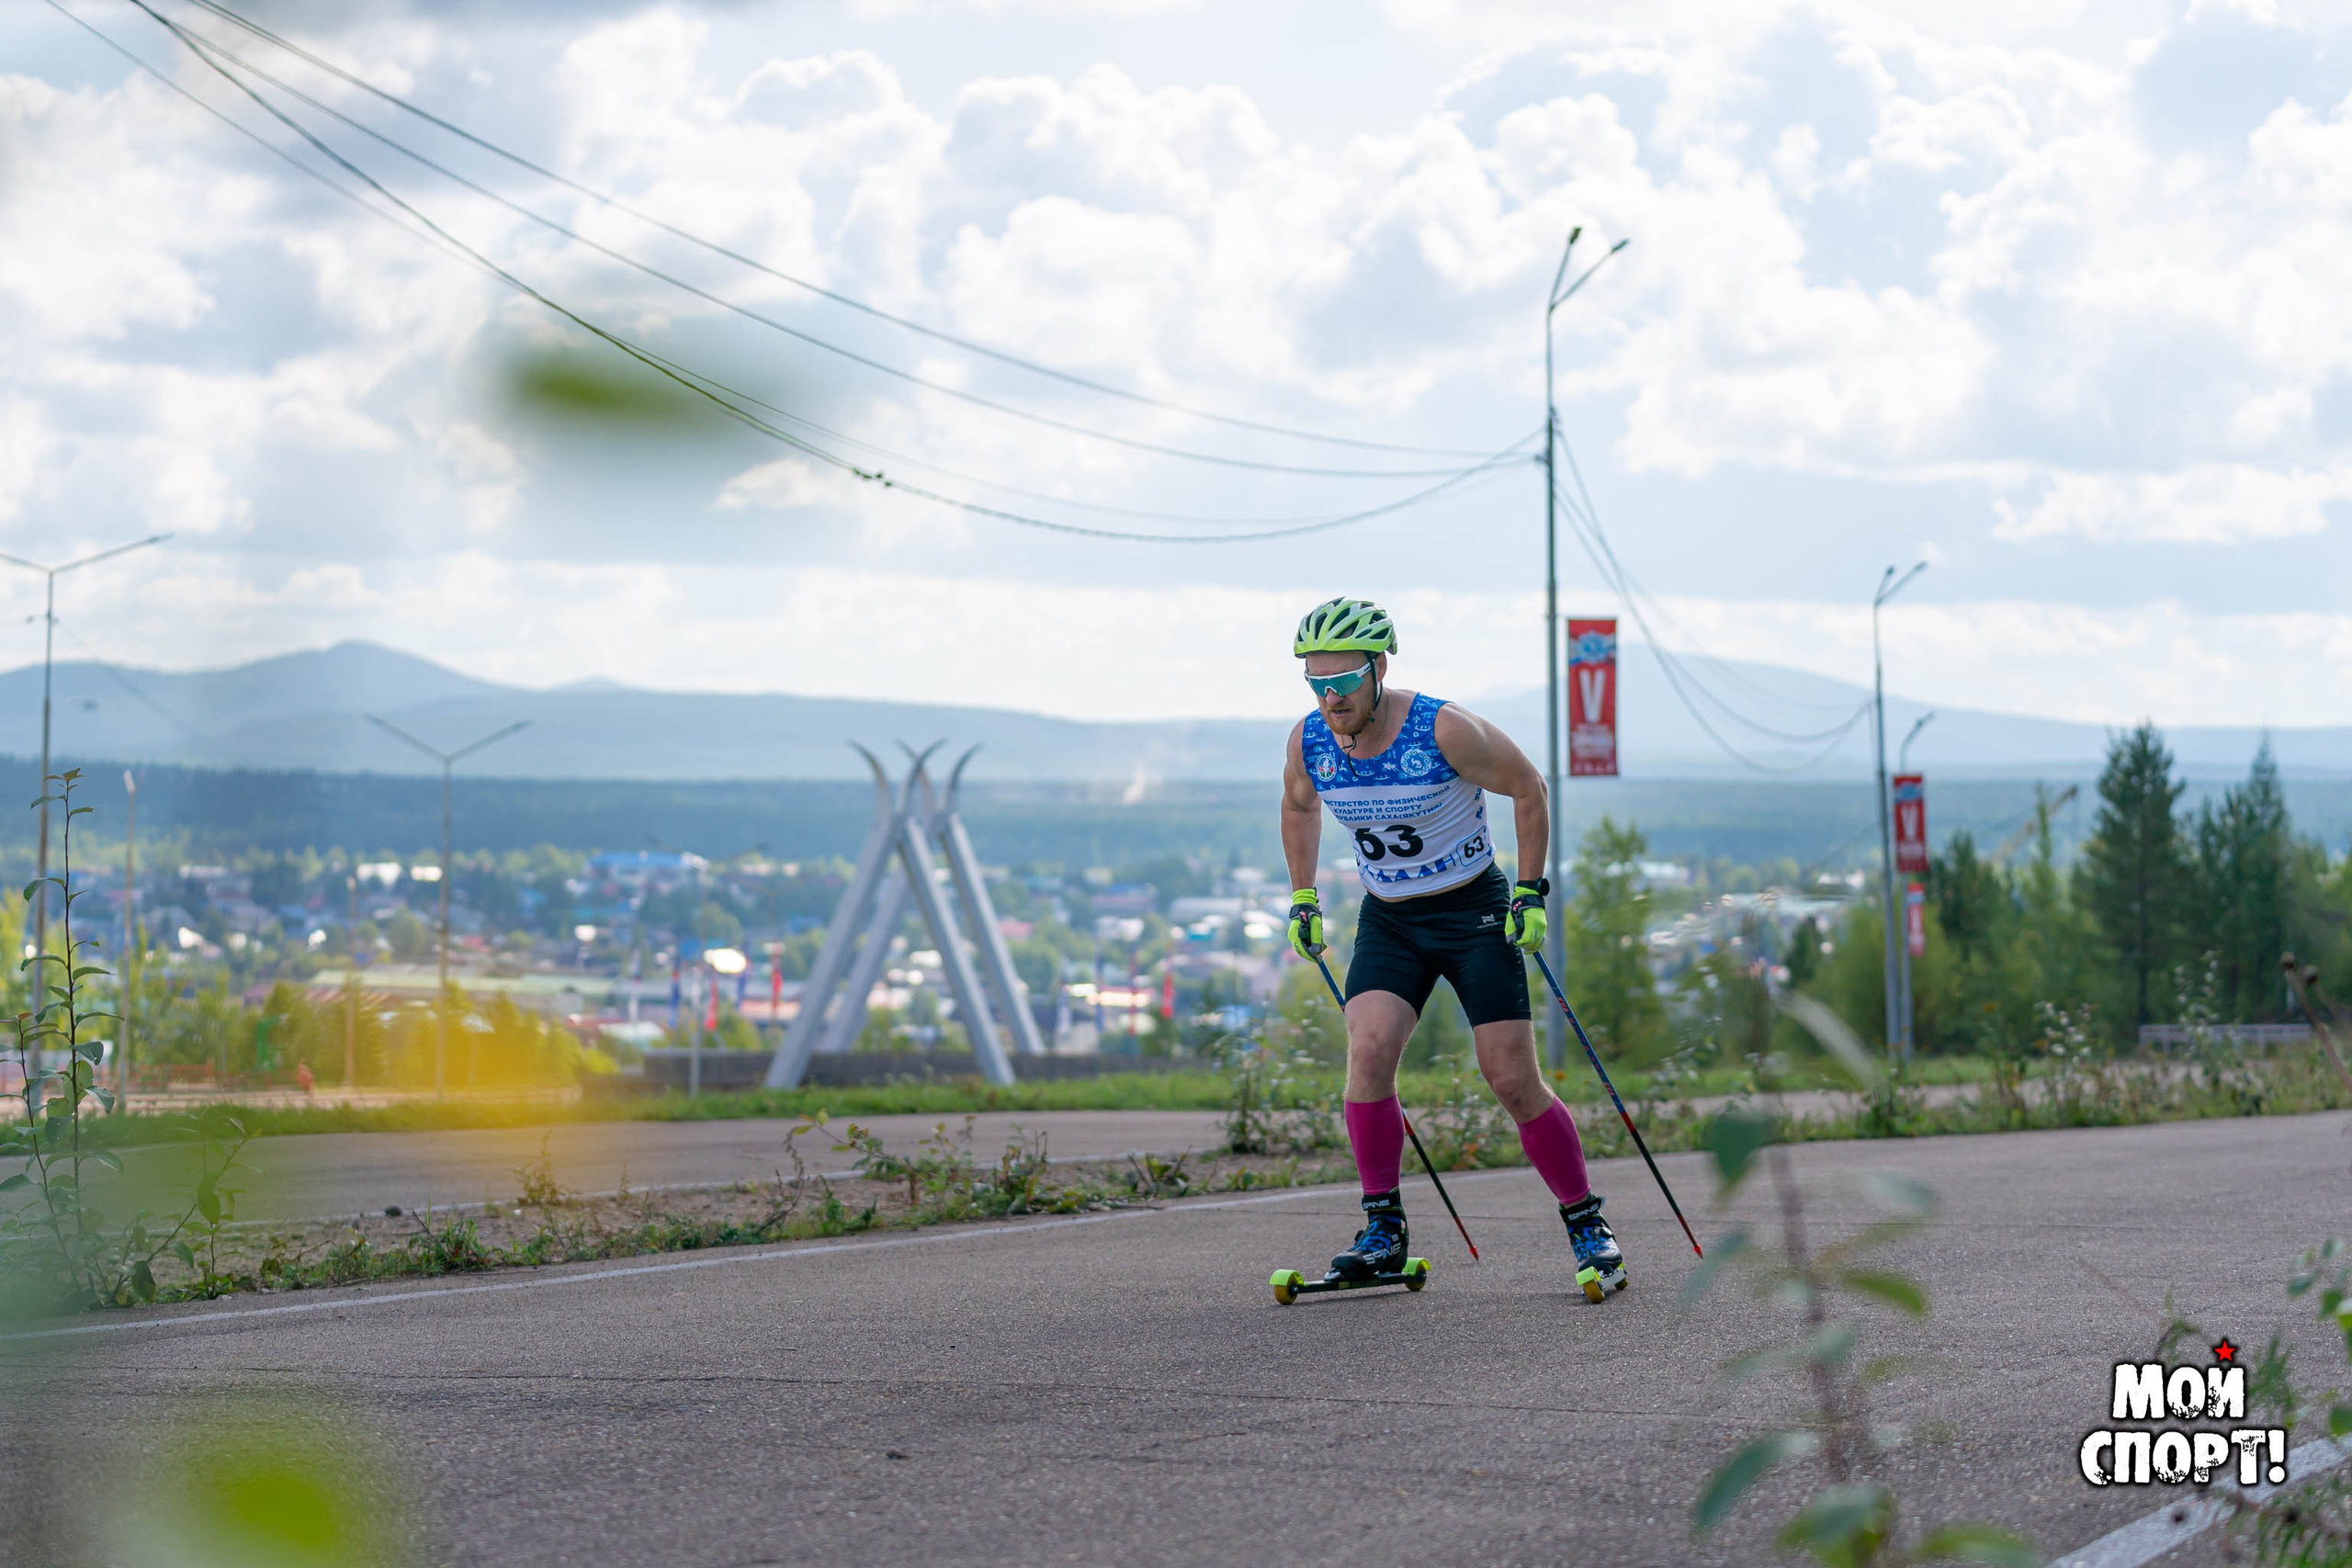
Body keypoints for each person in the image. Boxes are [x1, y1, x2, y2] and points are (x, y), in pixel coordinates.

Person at [1279, 596, 1625, 1296]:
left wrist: (1530, 891)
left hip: (1473, 912)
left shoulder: (1444, 729)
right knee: (1368, 1051)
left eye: (1343, 681)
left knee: (1510, 1076)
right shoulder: (1311, 740)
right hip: (1391, 919)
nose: (1330, 697)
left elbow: (1528, 787)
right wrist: (1303, 896)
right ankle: (1382, 1229)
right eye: (1316, 682)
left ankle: (1587, 1221)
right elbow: (1298, 804)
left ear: (1379, 668)